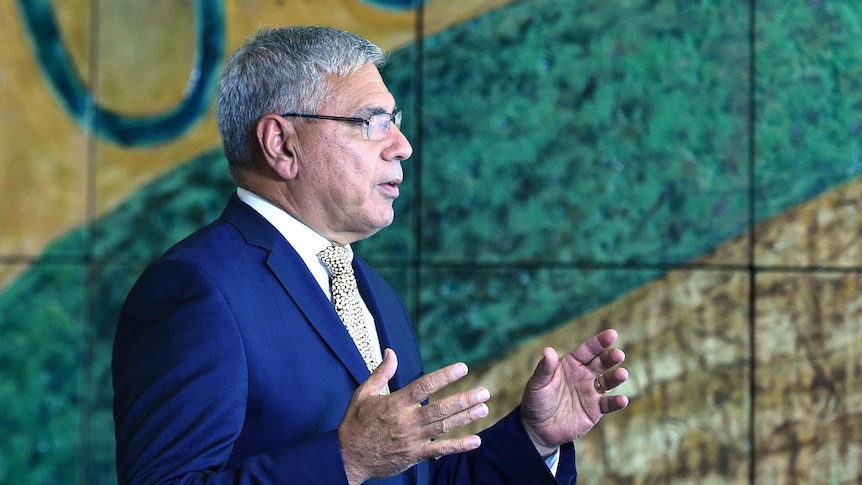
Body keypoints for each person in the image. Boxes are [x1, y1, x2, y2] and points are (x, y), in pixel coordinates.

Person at [111, 26, 629, 485]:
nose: (402, 145)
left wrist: (535, 439)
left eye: (395, 121)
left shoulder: (371, 289)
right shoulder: (195, 288)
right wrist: (345, 460)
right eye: (371, 121)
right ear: (282, 144)